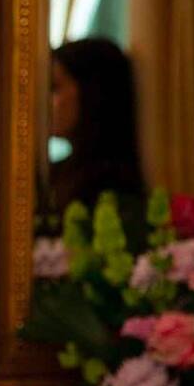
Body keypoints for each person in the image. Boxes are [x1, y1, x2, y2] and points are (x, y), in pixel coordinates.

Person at [47, 38, 147, 244]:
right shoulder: (56, 173)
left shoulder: (113, 187)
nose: (46, 102)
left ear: (90, 92)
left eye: (55, 88)